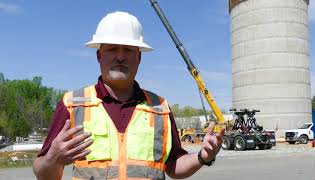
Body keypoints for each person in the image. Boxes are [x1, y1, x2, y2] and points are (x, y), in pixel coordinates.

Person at [33, 11, 225, 180]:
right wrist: (52, 160)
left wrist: (202, 156)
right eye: (112, 49)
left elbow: (173, 166)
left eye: (128, 50)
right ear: (99, 55)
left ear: (139, 57)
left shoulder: (160, 108)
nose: (120, 56)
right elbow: (44, 174)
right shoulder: (72, 105)